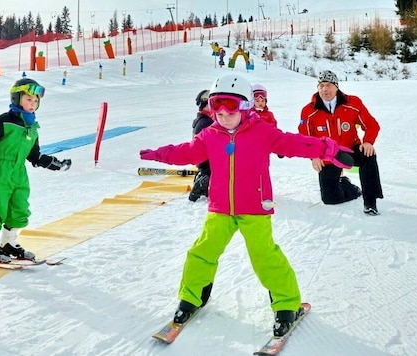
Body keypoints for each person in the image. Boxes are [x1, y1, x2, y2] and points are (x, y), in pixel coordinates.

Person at [139, 74, 353, 336]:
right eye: (217, 105)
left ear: (245, 106)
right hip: (220, 208)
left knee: (265, 257)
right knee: (201, 253)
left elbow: (293, 142)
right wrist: (160, 154)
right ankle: (191, 298)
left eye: (231, 106)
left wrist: (327, 149)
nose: (224, 114)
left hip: (254, 206)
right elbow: (186, 151)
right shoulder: (210, 135)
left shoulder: (261, 131)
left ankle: (287, 304)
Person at [0, 78, 72, 262]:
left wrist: (55, 164)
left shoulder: (32, 128)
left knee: (20, 207)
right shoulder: (4, 121)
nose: (32, 104)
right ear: (16, 98)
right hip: (0, 170)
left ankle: (8, 242)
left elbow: (35, 156)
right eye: (28, 99)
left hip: (20, 173)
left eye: (35, 101)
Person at [298, 70, 383, 215]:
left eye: (329, 85)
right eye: (322, 85)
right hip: (328, 156)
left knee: (368, 156)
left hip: (350, 150)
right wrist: (314, 156)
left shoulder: (353, 103)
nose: (325, 89)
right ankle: (348, 187)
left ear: (336, 87)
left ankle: (370, 202)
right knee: (330, 199)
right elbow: (304, 137)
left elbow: (372, 125)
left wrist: (368, 142)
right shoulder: (308, 111)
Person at [189, 89, 214, 202]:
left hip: (203, 159)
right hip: (207, 160)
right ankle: (202, 182)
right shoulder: (206, 122)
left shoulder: (203, 119)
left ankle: (203, 177)